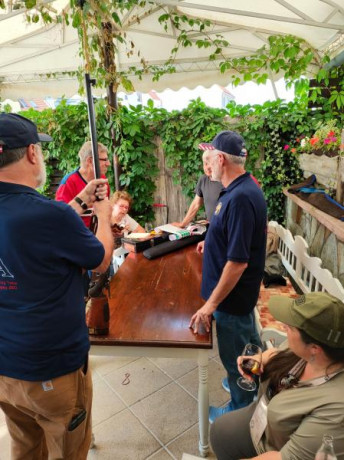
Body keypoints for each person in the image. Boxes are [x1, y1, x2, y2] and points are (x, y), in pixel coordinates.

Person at [0, 113, 114, 459]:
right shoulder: (49, 215)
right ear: (32, 153)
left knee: (24, 448)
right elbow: (100, 259)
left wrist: (78, 201)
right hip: (52, 370)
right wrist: (104, 216)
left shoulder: (47, 214)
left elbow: (29, 234)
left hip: (6, 369)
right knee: (67, 451)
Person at [189, 130, 267, 422]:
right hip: (234, 299)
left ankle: (240, 410)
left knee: (237, 358)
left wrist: (210, 305)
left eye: (212, 158)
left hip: (232, 300)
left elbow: (237, 263)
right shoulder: (236, 190)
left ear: (221, 158)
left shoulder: (241, 198)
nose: (209, 164)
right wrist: (212, 240)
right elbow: (233, 236)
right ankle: (253, 388)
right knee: (248, 346)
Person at [210, 292, 344, 460]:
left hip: (272, 449)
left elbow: (285, 457)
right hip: (261, 421)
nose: (283, 326)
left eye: (290, 326)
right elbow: (278, 352)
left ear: (315, 348)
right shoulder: (311, 352)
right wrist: (259, 359)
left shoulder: (336, 412)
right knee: (219, 431)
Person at [55, 140, 111, 228]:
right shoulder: (68, 183)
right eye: (104, 160)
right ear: (89, 161)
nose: (108, 164)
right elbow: (60, 219)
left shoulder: (102, 180)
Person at [172, 151, 223, 227]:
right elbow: (196, 204)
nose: (207, 167)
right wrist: (183, 224)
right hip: (211, 228)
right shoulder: (203, 179)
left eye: (210, 163)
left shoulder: (225, 181)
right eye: (205, 164)